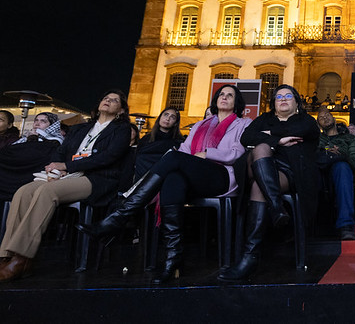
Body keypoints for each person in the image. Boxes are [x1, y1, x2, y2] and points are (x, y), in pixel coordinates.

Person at [78, 85, 251, 283]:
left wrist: (206, 154)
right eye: (221, 94)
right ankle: (173, 257)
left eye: (230, 95)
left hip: (221, 176)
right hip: (195, 175)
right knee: (172, 179)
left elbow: (238, 154)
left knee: (174, 160)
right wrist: (191, 159)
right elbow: (185, 149)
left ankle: (121, 215)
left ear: (236, 102)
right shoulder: (199, 125)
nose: (224, 97)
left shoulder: (243, 124)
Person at [0, 90, 131, 282]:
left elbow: (108, 157)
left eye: (114, 100)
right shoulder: (80, 129)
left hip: (96, 179)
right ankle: (6, 255)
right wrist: (57, 169)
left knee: (46, 191)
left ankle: (22, 257)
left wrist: (68, 166)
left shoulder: (121, 130)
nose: (108, 101)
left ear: (120, 110)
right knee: (23, 191)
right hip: (67, 175)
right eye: (105, 98)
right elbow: (60, 152)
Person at [219, 84, 319, 281]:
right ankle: (276, 208)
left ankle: (250, 257)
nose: (282, 99)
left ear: (297, 102)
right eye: (278, 96)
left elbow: (297, 129)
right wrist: (278, 141)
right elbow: (246, 136)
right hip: (258, 165)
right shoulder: (265, 118)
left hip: (289, 172)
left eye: (288, 96)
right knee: (261, 148)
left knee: (259, 185)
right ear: (273, 103)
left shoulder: (306, 121)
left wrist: (267, 135)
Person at [316, 108, 355, 240]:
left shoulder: (349, 139)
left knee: (341, 167)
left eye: (327, 115)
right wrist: (327, 153)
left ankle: (346, 226)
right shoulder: (316, 139)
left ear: (334, 118)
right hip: (318, 171)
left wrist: (341, 154)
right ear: (318, 124)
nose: (325, 118)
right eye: (321, 117)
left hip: (340, 174)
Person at [0, 113, 63, 201]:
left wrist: (32, 140)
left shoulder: (55, 142)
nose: (37, 123)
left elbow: (31, 155)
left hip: (30, 177)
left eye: (43, 121)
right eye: (36, 120)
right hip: (15, 173)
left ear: (52, 125)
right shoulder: (25, 138)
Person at [134, 107, 183, 179]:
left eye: (172, 117)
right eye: (166, 115)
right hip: (142, 179)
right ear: (160, 117)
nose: (167, 119)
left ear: (175, 123)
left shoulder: (179, 142)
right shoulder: (146, 139)